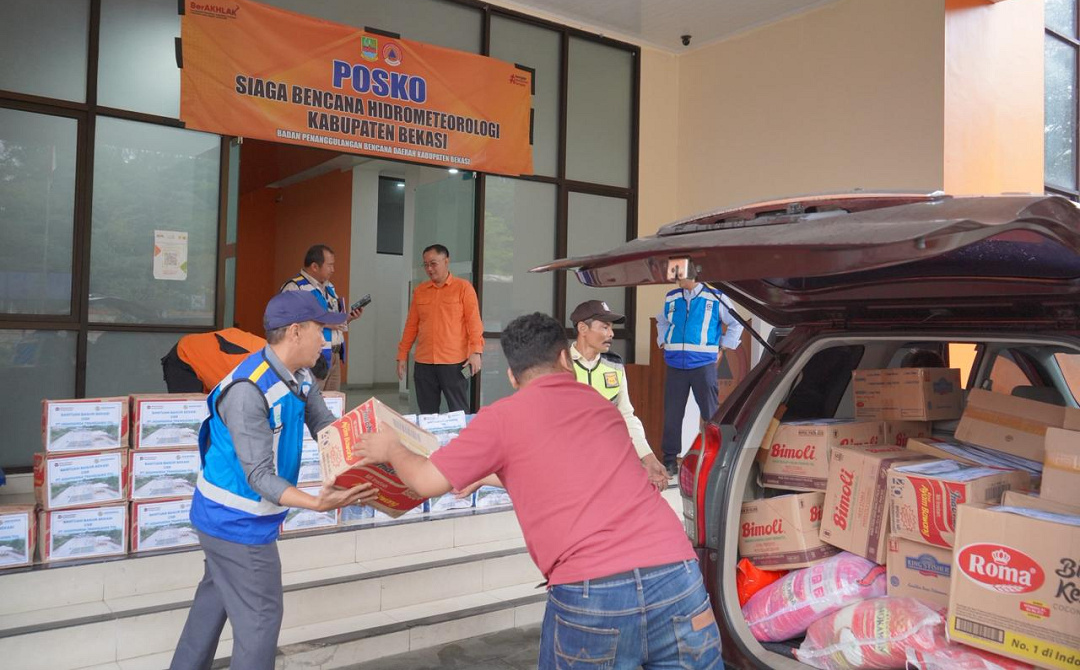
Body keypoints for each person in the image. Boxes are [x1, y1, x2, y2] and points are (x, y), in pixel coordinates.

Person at [359, 312, 722, 669]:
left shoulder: (502, 417)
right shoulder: (600, 405)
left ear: (514, 377)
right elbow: (569, 474)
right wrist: (484, 477)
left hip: (593, 591)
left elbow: (424, 481)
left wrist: (391, 448)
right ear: (565, 357)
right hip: (678, 576)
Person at [169, 292, 377, 670]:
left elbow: (324, 426)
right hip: (234, 522)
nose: (327, 340)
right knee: (260, 620)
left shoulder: (300, 376)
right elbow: (259, 476)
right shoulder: (248, 392)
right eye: (321, 331)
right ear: (296, 332)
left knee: (211, 606)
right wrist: (318, 502)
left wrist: (372, 453)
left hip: (232, 517)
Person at [570, 300, 669, 490]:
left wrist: (648, 458)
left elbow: (626, 416)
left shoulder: (614, 366)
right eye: (604, 327)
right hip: (570, 465)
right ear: (583, 328)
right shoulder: (560, 365)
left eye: (611, 328)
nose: (611, 334)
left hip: (607, 464)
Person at [657, 277, 744, 476]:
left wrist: (723, 346)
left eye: (680, 273)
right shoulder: (671, 297)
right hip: (675, 364)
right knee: (672, 414)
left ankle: (717, 459)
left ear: (693, 274)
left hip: (703, 365)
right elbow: (662, 321)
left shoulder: (715, 296)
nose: (677, 277)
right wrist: (663, 341)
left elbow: (736, 323)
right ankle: (669, 461)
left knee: (710, 415)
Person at [396, 244, 484, 414]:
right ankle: (430, 441)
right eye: (426, 264)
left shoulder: (463, 288)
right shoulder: (420, 291)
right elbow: (411, 326)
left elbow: (474, 322)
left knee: (459, 412)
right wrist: (402, 355)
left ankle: (461, 441)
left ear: (446, 261)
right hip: (424, 362)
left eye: (433, 263)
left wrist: (476, 352)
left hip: (454, 362)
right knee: (427, 414)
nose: (429, 269)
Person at [280, 244, 363, 391]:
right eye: (330, 265)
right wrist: (324, 323)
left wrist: (348, 318)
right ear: (314, 266)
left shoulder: (329, 288)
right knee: (311, 404)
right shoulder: (295, 288)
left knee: (333, 405)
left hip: (334, 355)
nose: (333, 269)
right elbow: (286, 322)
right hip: (313, 357)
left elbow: (335, 321)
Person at [161, 327, 265, 393]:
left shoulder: (270, 352)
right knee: (192, 416)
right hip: (185, 358)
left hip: (213, 358)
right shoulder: (254, 364)